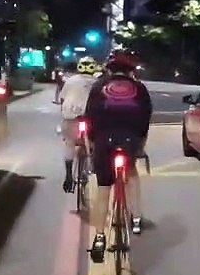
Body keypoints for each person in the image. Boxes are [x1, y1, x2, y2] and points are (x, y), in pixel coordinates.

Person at [83, 50, 151, 263]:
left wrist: (93, 144)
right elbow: (145, 118)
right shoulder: (139, 89)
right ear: (131, 70)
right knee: (131, 174)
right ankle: (136, 217)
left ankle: (100, 237)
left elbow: (89, 116)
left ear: (109, 69)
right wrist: (140, 144)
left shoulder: (97, 87)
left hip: (104, 141)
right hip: (130, 140)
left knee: (103, 190)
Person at [58, 57, 99, 193]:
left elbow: (62, 99)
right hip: (92, 119)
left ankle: (69, 175)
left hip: (71, 117)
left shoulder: (70, 81)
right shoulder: (98, 83)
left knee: (69, 143)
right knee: (96, 144)